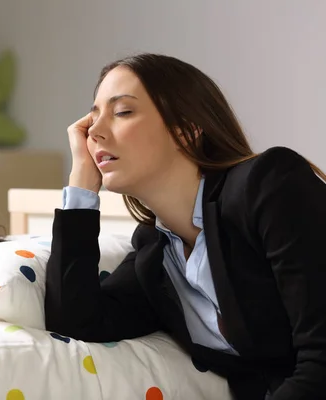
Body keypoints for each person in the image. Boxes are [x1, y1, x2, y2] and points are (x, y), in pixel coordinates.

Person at [44, 53, 326, 400]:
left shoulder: (270, 185)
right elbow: (74, 322)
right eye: (92, 119)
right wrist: (81, 189)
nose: (95, 133)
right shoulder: (154, 256)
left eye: (122, 112)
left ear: (187, 131)